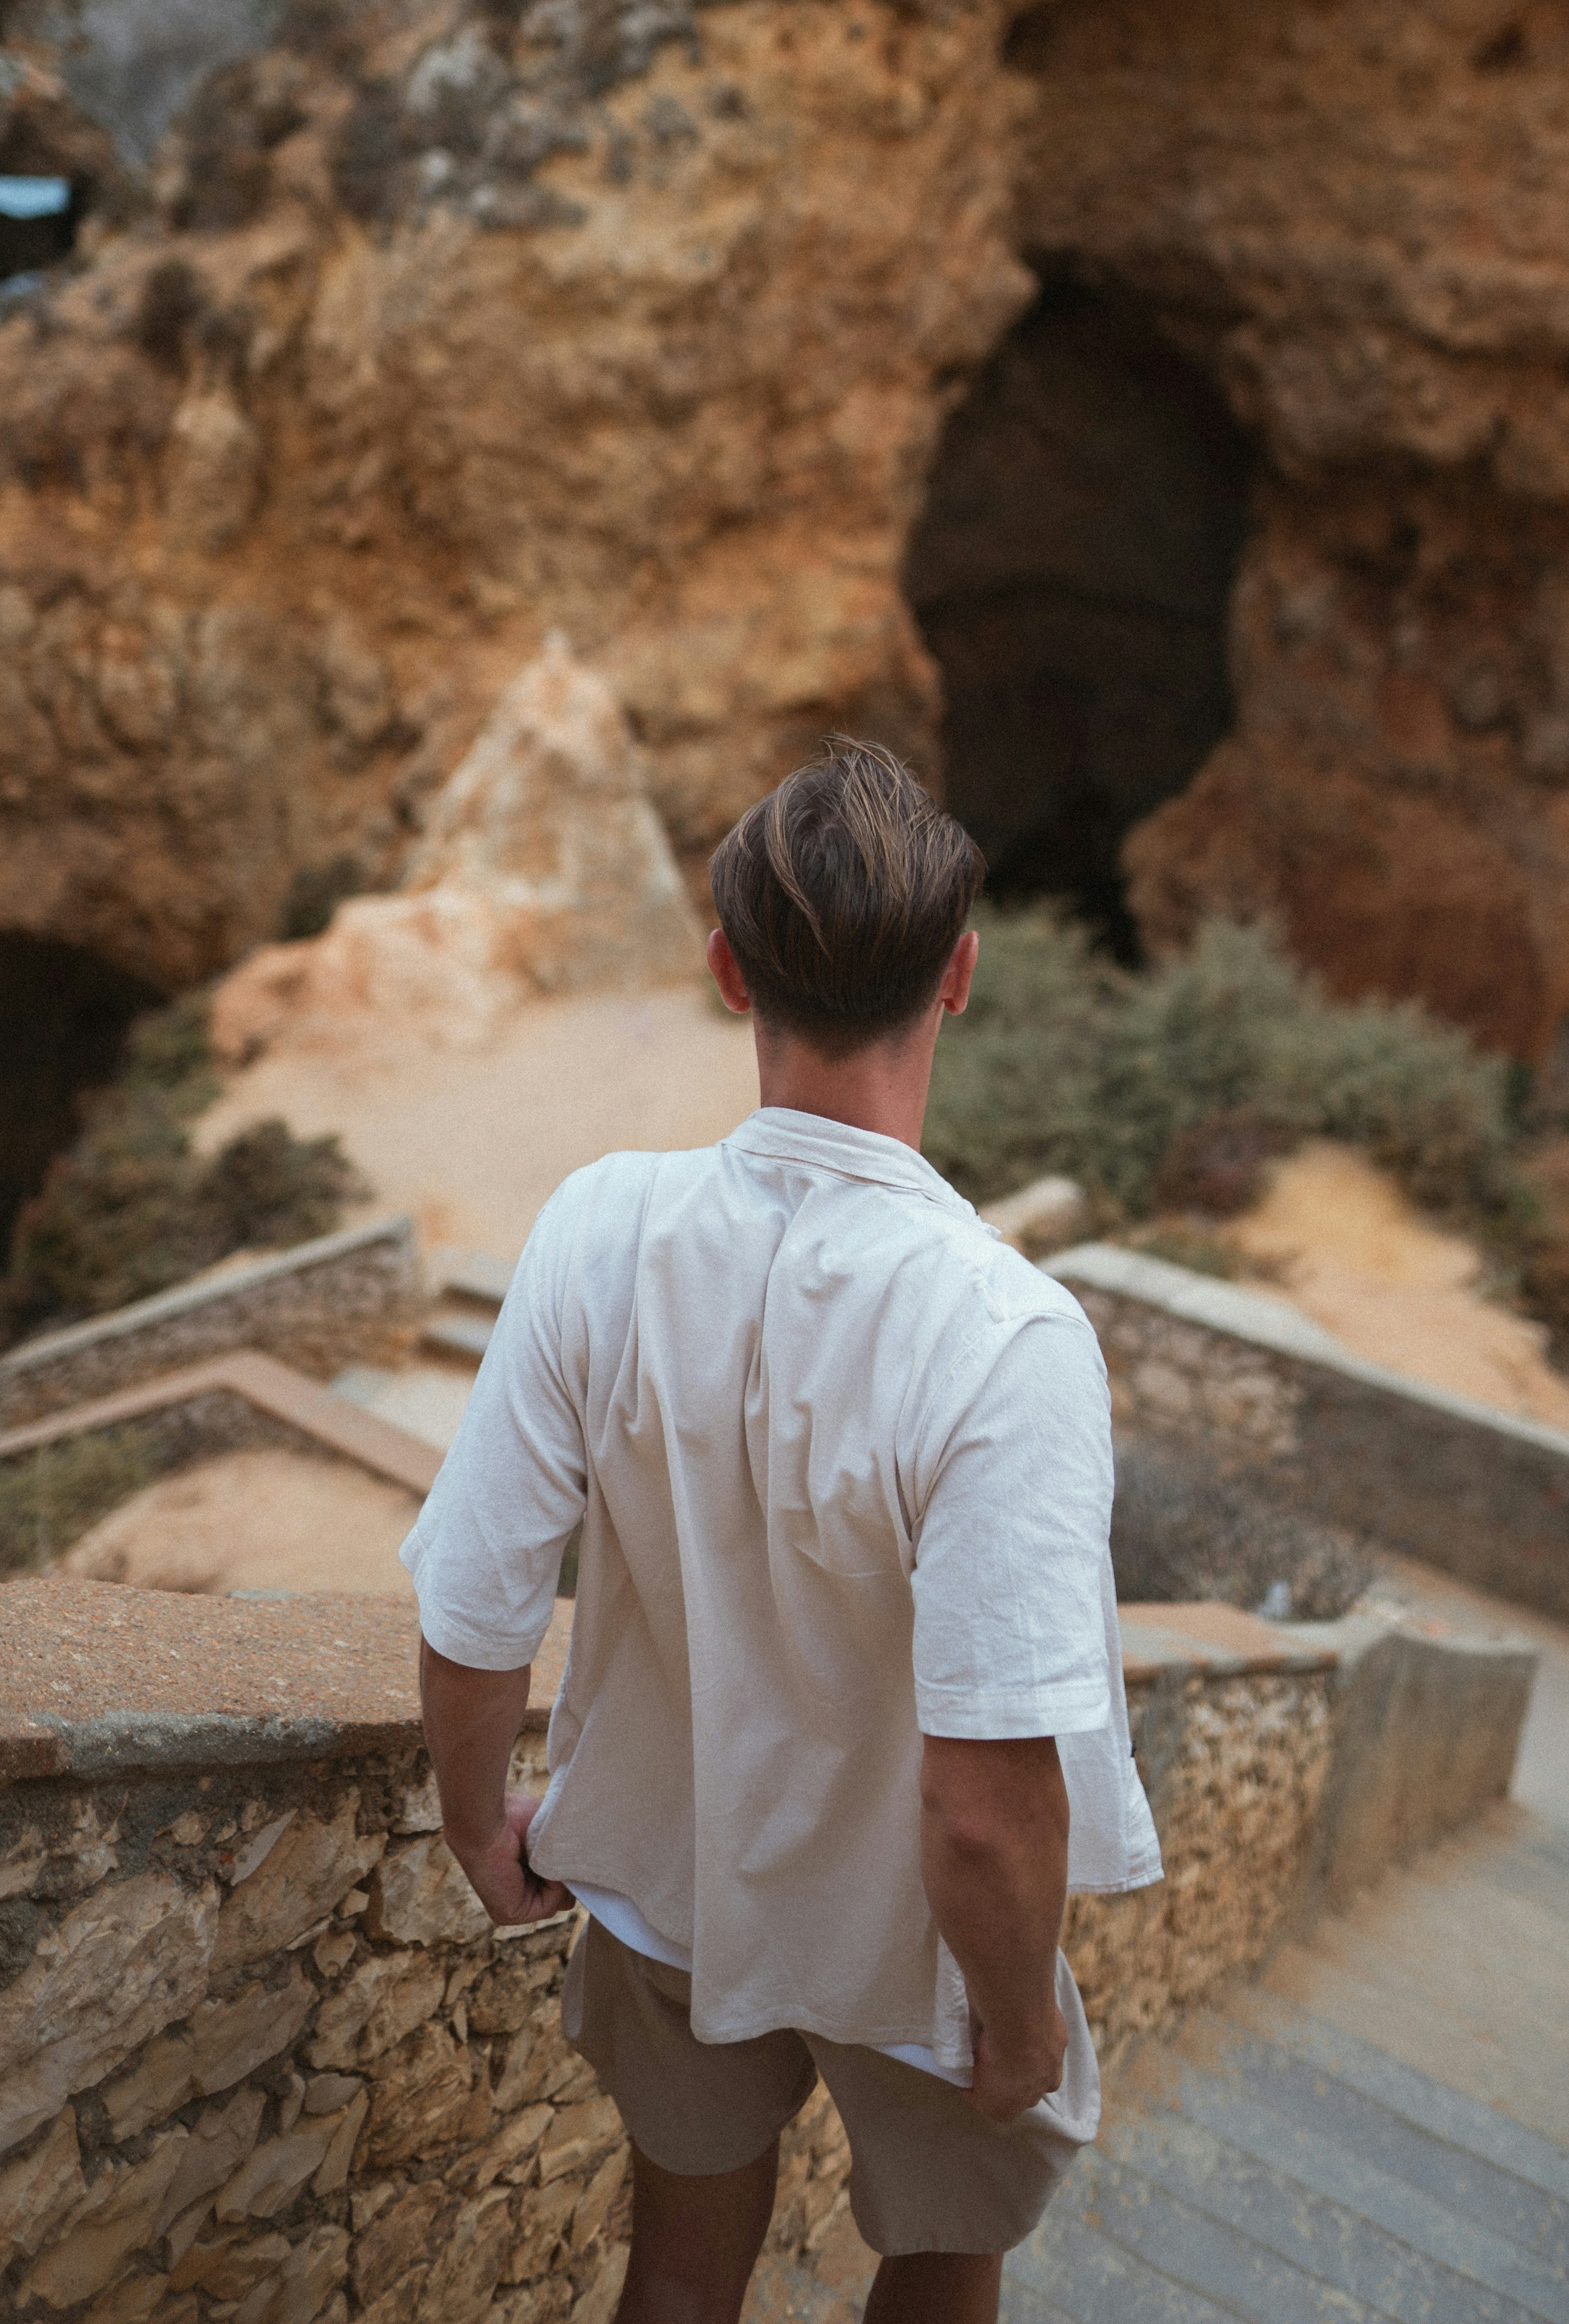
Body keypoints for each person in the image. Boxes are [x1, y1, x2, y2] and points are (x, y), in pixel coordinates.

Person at [403, 738, 1161, 2324]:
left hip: (667, 1878)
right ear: (957, 975)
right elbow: (981, 1804)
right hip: (924, 1957)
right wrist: (1020, 2026)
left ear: (728, 969)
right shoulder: (1005, 1334)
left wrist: (483, 1827)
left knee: (680, 2259)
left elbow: (476, 1604)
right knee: (944, 2267)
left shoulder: (602, 1226)